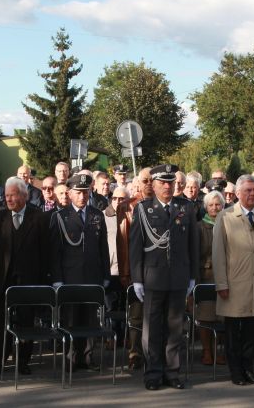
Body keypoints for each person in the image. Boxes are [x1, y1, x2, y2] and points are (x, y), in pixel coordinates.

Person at [129, 164, 199, 391]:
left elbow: (193, 245)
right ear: (154, 184)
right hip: (153, 277)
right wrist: (137, 279)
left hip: (179, 276)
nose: (167, 186)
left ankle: (172, 372)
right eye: (162, 182)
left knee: (175, 328)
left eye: (170, 182)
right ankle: (153, 373)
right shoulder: (143, 209)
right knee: (152, 329)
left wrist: (192, 276)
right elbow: (136, 246)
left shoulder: (186, 208)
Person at [212, 174, 254, 386]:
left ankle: (249, 369)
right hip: (234, 283)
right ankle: (236, 371)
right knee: (234, 331)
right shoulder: (226, 216)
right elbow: (218, 254)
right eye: (247, 190)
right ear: (238, 193)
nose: (251, 194)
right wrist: (221, 283)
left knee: (253, 330)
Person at [0, 177, 49, 375]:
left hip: (28, 280)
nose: (9, 199)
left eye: (13, 195)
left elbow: (45, 250)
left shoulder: (38, 217)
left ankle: (23, 361)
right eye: (6, 195)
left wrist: (41, 278)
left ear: (24, 195)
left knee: (26, 320)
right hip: (2, 280)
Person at [48, 173, 110, 369]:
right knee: (72, 318)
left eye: (85, 192)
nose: (82, 196)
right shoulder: (60, 217)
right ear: (70, 193)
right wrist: (57, 278)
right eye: (78, 192)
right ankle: (72, 357)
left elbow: (103, 248)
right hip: (70, 276)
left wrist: (106, 275)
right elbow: (55, 251)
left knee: (91, 318)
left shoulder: (96, 215)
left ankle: (88, 356)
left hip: (93, 275)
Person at [104, 186, 139, 367]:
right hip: (111, 269)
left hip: (127, 269)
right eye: (115, 198)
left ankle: (125, 337)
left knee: (127, 307)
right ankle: (112, 336)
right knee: (111, 306)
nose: (118, 201)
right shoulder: (104, 215)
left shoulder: (131, 214)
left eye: (122, 199)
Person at [195, 191, 226, 366]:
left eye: (218, 204)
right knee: (206, 317)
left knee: (222, 316)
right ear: (205, 207)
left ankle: (218, 350)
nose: (215, 208)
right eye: (211, 205)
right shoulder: (199, 227)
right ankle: (207, 351)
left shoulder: (229, 224)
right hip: (206, 277)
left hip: (225, 277)